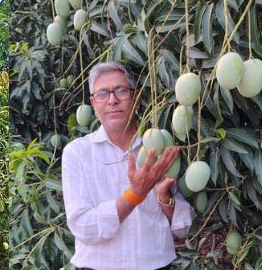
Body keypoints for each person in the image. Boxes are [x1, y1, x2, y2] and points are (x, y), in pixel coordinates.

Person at [61, 61, 194, 270]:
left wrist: (164, 197)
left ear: (136, 98)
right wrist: (135, 195)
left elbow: (182, 227)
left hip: (156, 265)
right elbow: (83, 227)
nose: (112, 100)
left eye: (121, 90)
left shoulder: (158, 145)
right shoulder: (77, 153)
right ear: (94, 104)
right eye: (103, 94)